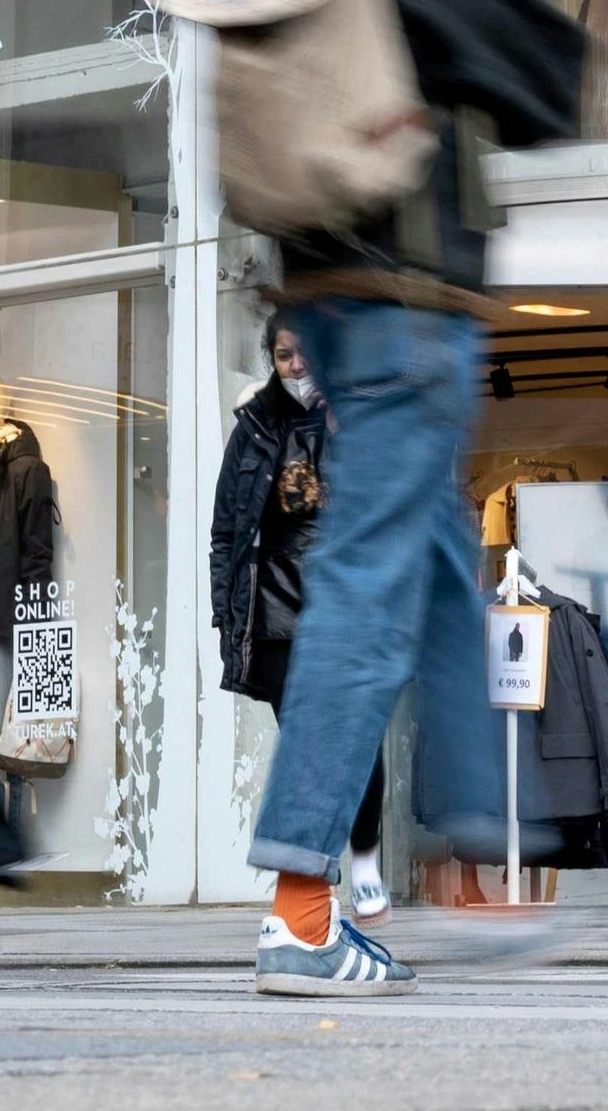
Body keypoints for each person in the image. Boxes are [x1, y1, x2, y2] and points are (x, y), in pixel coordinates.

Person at [243, 0, 585, 995]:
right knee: (370, 581)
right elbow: (546, 85)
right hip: (414, 288)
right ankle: (301, 897)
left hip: (319, 284)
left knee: (435, 558)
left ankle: (482, 869)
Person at [211, 317, 394, 925]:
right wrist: (224, 614)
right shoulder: (254, 427)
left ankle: (364, 853)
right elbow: (226, 534)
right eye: (284, 355)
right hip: (275, 609)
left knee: (357, 736)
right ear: (271, 358)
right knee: (308, 748)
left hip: (345, 600)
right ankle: (318, 885)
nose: (296, 366)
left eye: (305, 353)